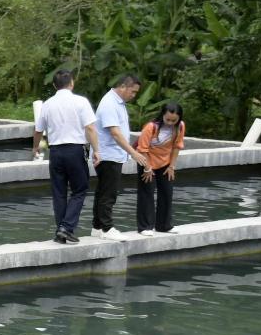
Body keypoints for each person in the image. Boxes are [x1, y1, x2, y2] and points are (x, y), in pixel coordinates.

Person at [35, 68, 99, 244]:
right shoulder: (81, 102)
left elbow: (38, 130)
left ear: (54, 85)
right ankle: (66, 227)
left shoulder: (47, 104)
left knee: (59, 193)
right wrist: (96, 150)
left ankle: (60, 232)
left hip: (55, 152)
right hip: (75, 150)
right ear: (72, 83)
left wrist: (35, 148)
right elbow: (90, 128)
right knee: (80, 189)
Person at [90, 74, 142, 239]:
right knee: (108, 194)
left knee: (103, 191)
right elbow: (115, 133)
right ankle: (107, 228)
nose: (134, 95)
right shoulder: (109, 103)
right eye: (133, 91)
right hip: (108, 155)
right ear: (123, 86)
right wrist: (133, 153)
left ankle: (97, 227)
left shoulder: (117, 102)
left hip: (112, 154)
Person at [134, 101, 185, 235]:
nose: (170, 123)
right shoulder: (151, 127)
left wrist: (172, 166)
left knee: (167, 193)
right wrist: (147, 168)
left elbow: (177, 146)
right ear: (162, 115)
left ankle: (164, 225)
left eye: (174, 120)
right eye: (167, 119)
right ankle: (145, 227)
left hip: (165, 163)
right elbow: (142, 149)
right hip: (146, 161)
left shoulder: (180, 126)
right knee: (147, 194)